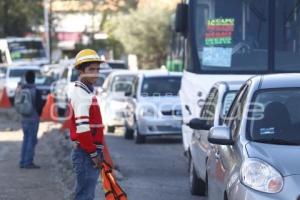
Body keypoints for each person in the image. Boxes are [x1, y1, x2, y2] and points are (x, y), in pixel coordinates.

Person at [69, 49, 106, 200]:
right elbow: (83, 130)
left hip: (87, 152)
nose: (96, 73)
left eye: (98, 69)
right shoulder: (82, 95)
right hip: (86, 154)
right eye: (91, 69)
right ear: (80, 70)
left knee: (85, 194)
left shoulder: (86, 92)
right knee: (85, 196)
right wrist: (93, 154)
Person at [19, 70, 44, 169]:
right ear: (34, 79)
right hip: (33, 119)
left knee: (25, 139)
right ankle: (28, 162)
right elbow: (39, 106)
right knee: (31, 140)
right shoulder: (36, 91)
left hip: (24, 118)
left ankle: (22, 161)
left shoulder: (22, 90)